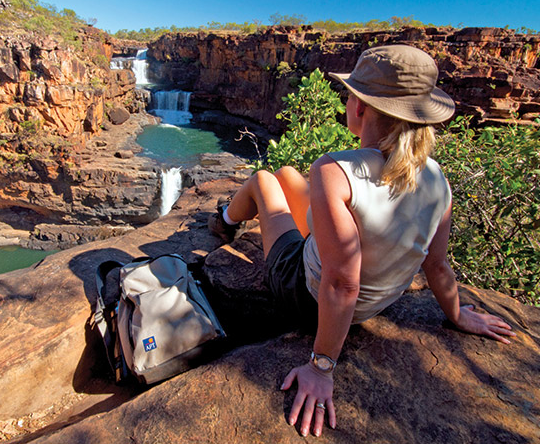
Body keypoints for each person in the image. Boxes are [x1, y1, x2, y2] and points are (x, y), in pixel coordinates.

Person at [208, 45, 516, 438]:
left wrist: (321, 367)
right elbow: (437, 265)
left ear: (360, 109)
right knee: (287, 174)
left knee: (264, 180)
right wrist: (457, 315)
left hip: (306, 296)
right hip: (375, 305)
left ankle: (224, 221)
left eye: (351, 95)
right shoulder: (438, 179)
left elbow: (342, 283)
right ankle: (230, 217)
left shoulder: (334, 170)